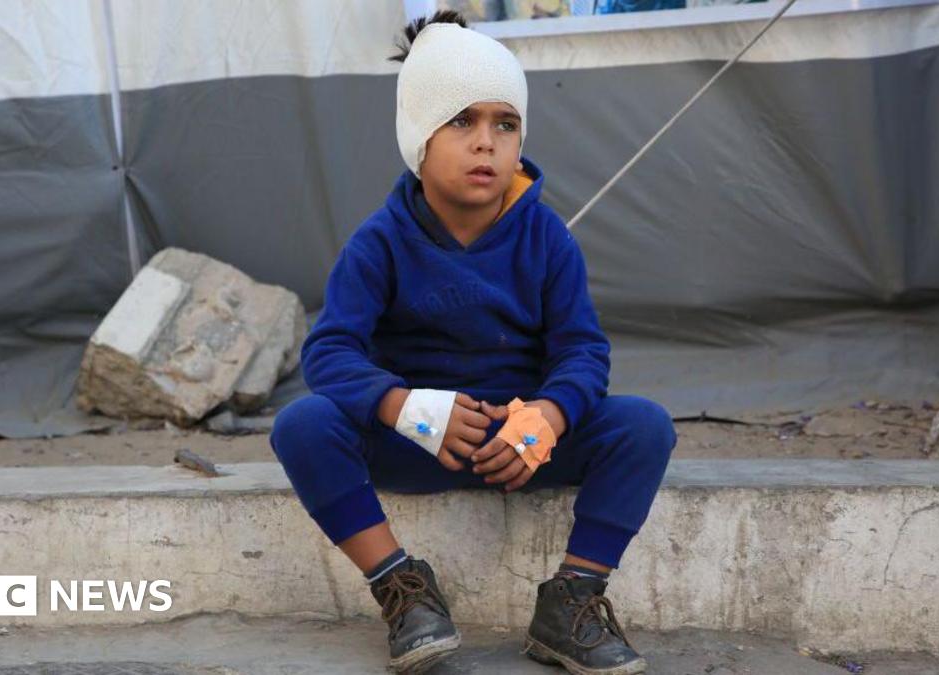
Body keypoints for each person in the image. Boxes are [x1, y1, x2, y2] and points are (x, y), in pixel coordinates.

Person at [270, 10, 676, 674]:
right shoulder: (380, 242)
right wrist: (401, 405)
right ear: (417, 136)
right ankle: (402, 587)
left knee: (643, 427)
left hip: (525, 446)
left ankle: (572, 597)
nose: (486, 143)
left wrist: (550, 414)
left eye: (504, 123)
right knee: (303, 425)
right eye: (462, 121)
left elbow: (583, 350)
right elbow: (330, 351)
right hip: (419, 441)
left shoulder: (547, 239)